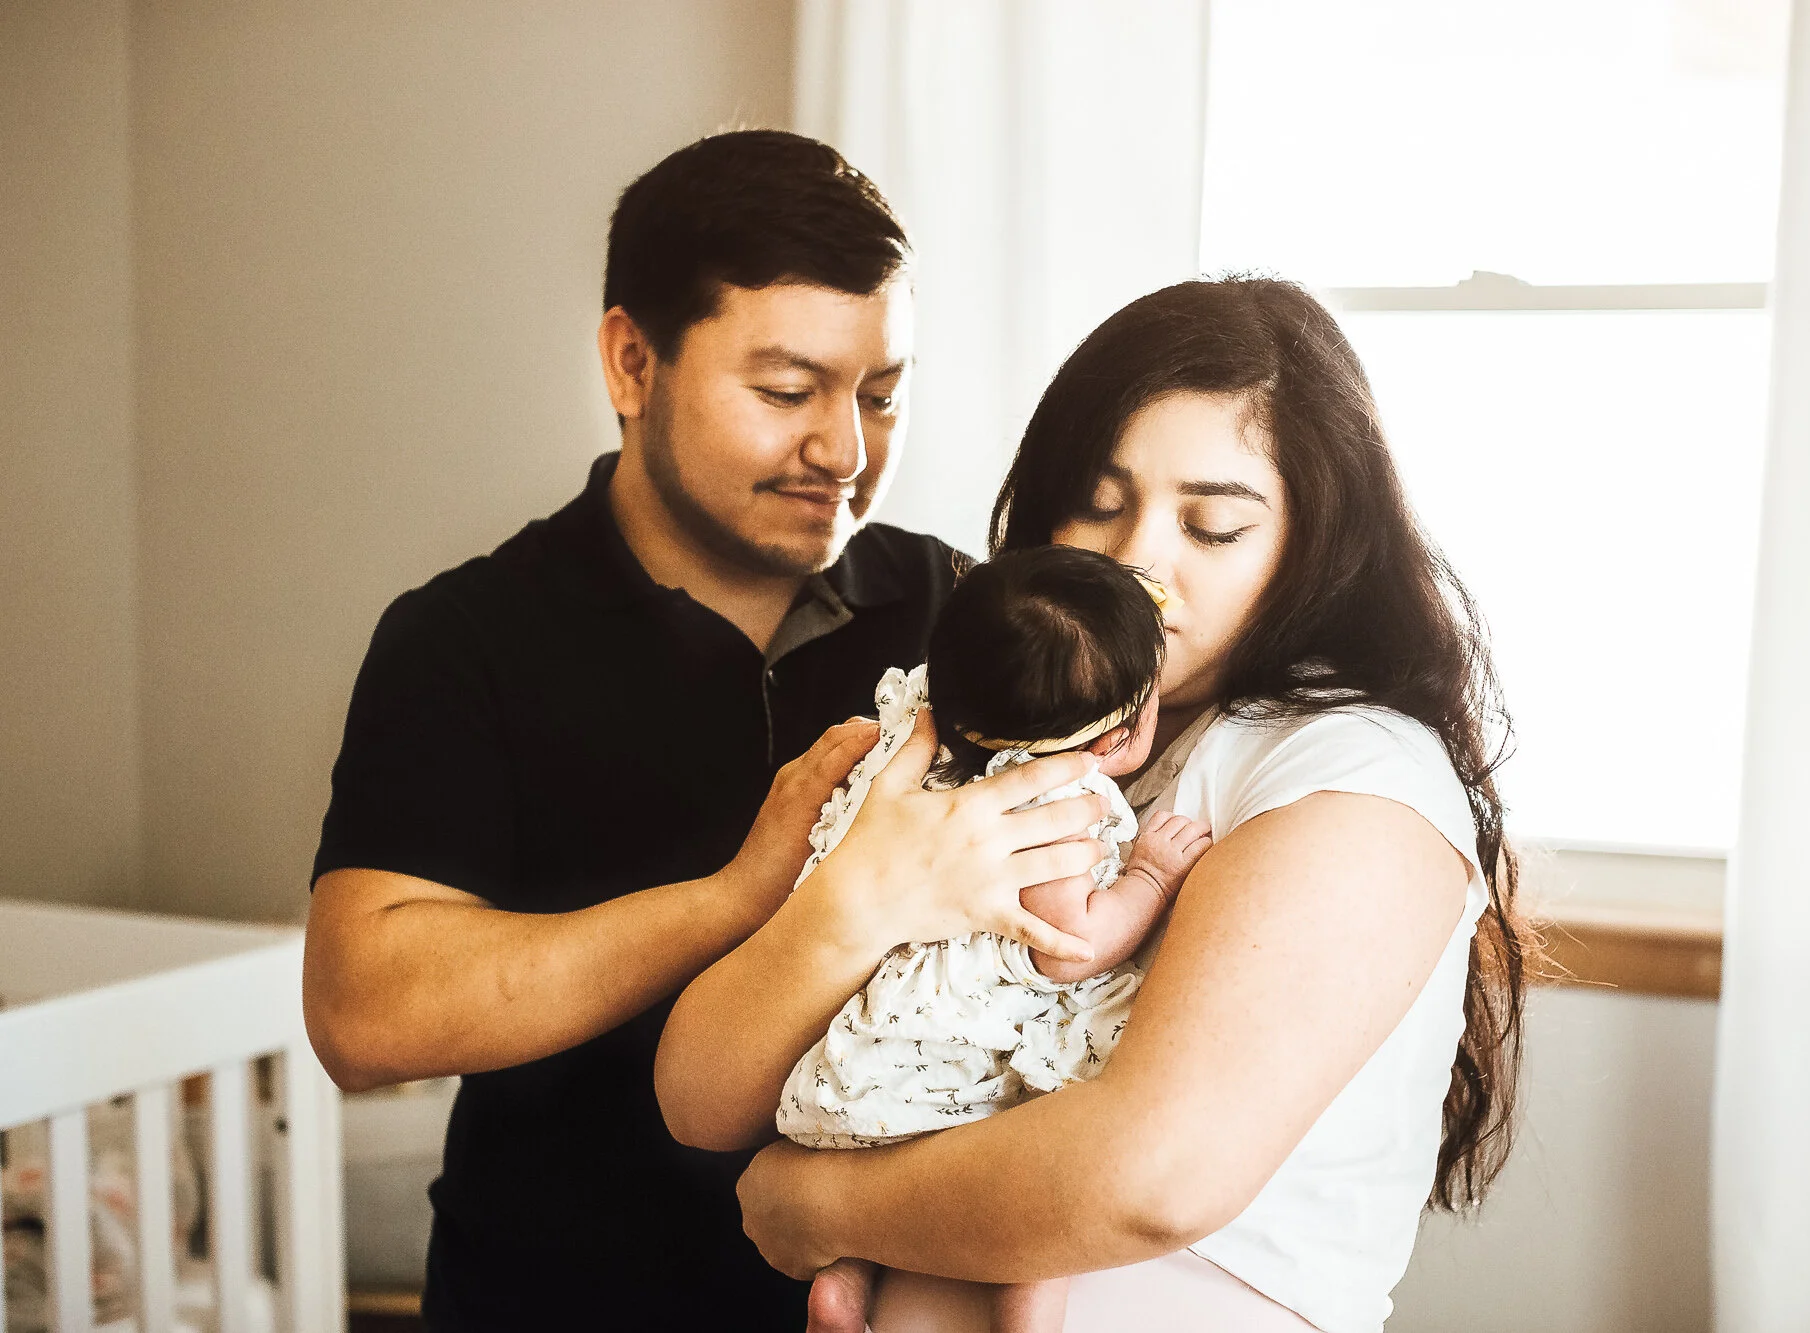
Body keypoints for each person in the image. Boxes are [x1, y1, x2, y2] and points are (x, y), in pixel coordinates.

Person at [300, 130, 1109, 1331]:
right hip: (551, 1299)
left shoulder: (970, 613)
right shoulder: (463, 637)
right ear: (632, 362)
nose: (843, 450)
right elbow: (366, 1013)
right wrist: (740, 898)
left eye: (879, 396)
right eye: (786, 393)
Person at [658, 276, 1532, 1331]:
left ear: (1315, 547)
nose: (1135, 562)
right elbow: (701, 1099)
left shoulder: (1348, 770)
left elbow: (1151, 1176)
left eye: (1210, 526)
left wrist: (818, 1203)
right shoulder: (1004, 735)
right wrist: (859, 901)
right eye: (1101, 505)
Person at [778, 548, 1215, 1333]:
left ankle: (844, 1285)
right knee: (1042, 1199)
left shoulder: (933, 758)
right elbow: (1068, 942)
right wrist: (1148, 875)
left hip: (868, 1050)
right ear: (1120, 734)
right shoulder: (1057, 800)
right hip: (956, 1059)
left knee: (870, 1174)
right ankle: (1027, 1316)